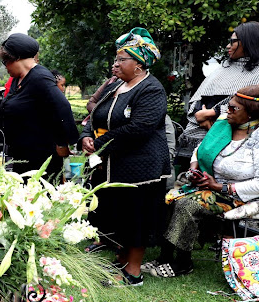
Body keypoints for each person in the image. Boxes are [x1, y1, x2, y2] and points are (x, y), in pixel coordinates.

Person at [79, 27, 171, 286]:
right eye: (116, 59)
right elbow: (94, 114)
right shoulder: (116, 85)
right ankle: (120, 259)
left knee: (136, 217)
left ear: (139, 64)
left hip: (142, 167)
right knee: (118, 214)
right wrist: (86, 136)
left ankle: (133, 271)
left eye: (122, 59)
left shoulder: (151, 89)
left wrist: (98, 143)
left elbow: (138, 128)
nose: (115, 64)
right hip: (114, 163)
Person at [145, 86, 259, 278]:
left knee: (187, 204)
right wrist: (194, 168)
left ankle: (182, 262)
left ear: (251, 113)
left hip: (239, 195)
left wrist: (221, 187)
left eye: (233, 109)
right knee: (170, 198)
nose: (227, 112)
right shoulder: (224, 124)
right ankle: (164, 257)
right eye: (228, 107)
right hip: (210, 186)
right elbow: (201, 148)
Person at [0, 34, 78, 176]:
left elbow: (62, 107)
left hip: (40, 157)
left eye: (5, 62)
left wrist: (63, 143)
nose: (5, 67)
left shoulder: (40, 77)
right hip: (23, 153)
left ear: (15, 58)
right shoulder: (18, 79)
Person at [177, 22, 259, 161]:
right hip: (200, 137)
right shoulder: (222, 68)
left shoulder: (257, 73)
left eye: (233, 42)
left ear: (248, 42)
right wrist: (200, 116)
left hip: (237, 144)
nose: (228, 46)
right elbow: (199, 100)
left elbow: (249, 106)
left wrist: (212, 114)